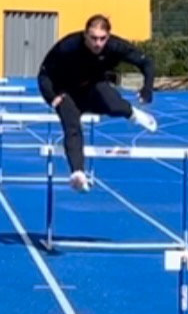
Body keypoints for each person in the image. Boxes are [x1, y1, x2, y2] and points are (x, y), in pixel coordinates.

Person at [37, 13, 156, 190]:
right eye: (93, 38)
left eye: (102, 39)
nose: (97, 44)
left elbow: (146, 63)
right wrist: (51, 96)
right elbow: (44, 72)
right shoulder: (68, 46)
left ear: (108, 36)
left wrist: (147, 88)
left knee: (114, 106)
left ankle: (132, 113)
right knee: (71, 127)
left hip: (94, 87)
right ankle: (77, 173)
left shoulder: (115, 46)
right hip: (66, 92)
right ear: (85, 35)